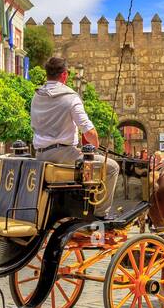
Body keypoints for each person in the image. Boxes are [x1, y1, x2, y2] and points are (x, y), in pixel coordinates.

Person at [29, 56, 120, 216]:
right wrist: (95, 147)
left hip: (40, 155)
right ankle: (100, 214)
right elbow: (89, 131)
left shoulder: (37, 96)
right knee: (111, 167)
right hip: (64, 155)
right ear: (64, 75)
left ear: (47, 74)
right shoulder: (70, 97)